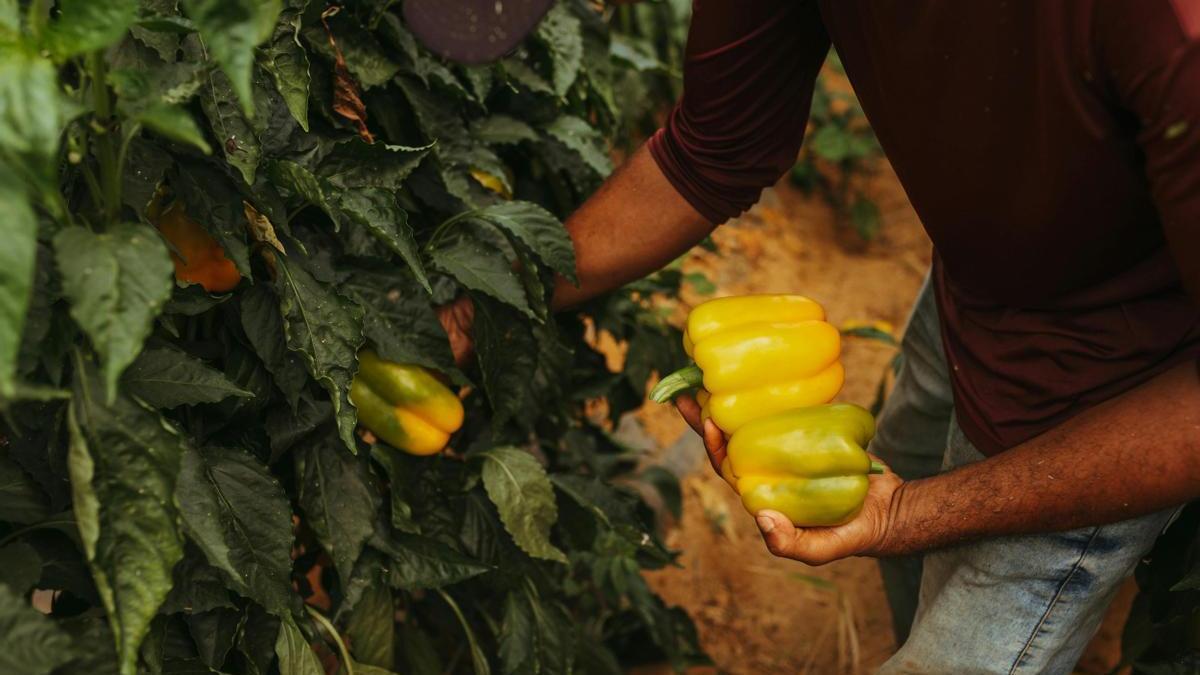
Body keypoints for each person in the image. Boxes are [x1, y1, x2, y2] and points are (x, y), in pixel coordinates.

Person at [408, 0, 1200, 671]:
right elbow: (713, 148)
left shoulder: (1168, 29)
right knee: (912, 462)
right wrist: (482, 310)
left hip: (1128, 385)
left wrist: (908, 516)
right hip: (984, 279)